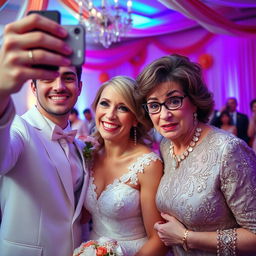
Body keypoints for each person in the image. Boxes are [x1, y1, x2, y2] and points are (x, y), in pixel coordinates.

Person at [135, 54, 256, 255]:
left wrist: (186, 238)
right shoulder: (166, 146)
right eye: (154, 105)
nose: (164, 115)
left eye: (174, 101)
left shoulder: (228, 150)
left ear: (195, 102)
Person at [0, 14, 88, 256]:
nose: (59, 86)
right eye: (48, 78)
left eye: (68, 78)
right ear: (33, 86)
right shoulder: (19, 129)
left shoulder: (79, 145)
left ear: (79, 88)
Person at [83, 76, 168, 256]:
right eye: (105, 103)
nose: (110, 114)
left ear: (136, 118)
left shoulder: (148, 165)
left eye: (122, 108)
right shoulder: (89, 155)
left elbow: (159, 239)